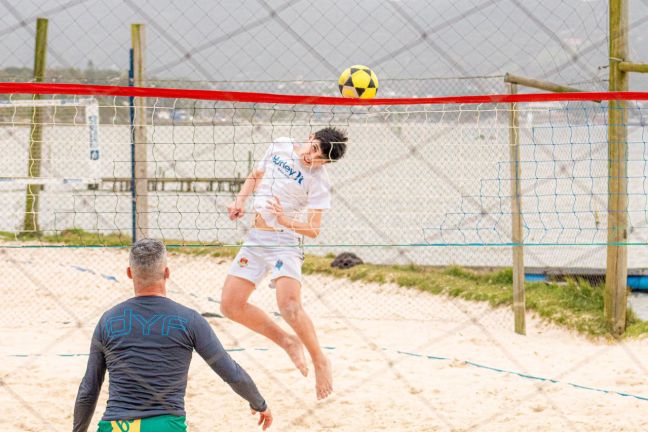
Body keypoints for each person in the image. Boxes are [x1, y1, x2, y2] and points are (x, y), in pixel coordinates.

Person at [73, 238, 272, 432]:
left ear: (129, 273)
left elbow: (88, 390)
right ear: (167, 273)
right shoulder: (189, 319)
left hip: (116, 426)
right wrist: (259, 403)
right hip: (166, 425)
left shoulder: (108, 320)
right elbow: (231, 373)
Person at [221, 127, 348, 400]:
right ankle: (288, 342)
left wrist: (285, 219)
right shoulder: (280, 145)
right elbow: (256, 176)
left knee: (289, 306)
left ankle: (320, 361)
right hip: (255, 238)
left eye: (319, 158)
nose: (310, 158)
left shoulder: (319, 181)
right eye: (312, 148)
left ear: (326, 162)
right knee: (230, 306)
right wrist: (240, 202)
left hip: (284, 240)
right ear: (310, 136)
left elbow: (314, 229)